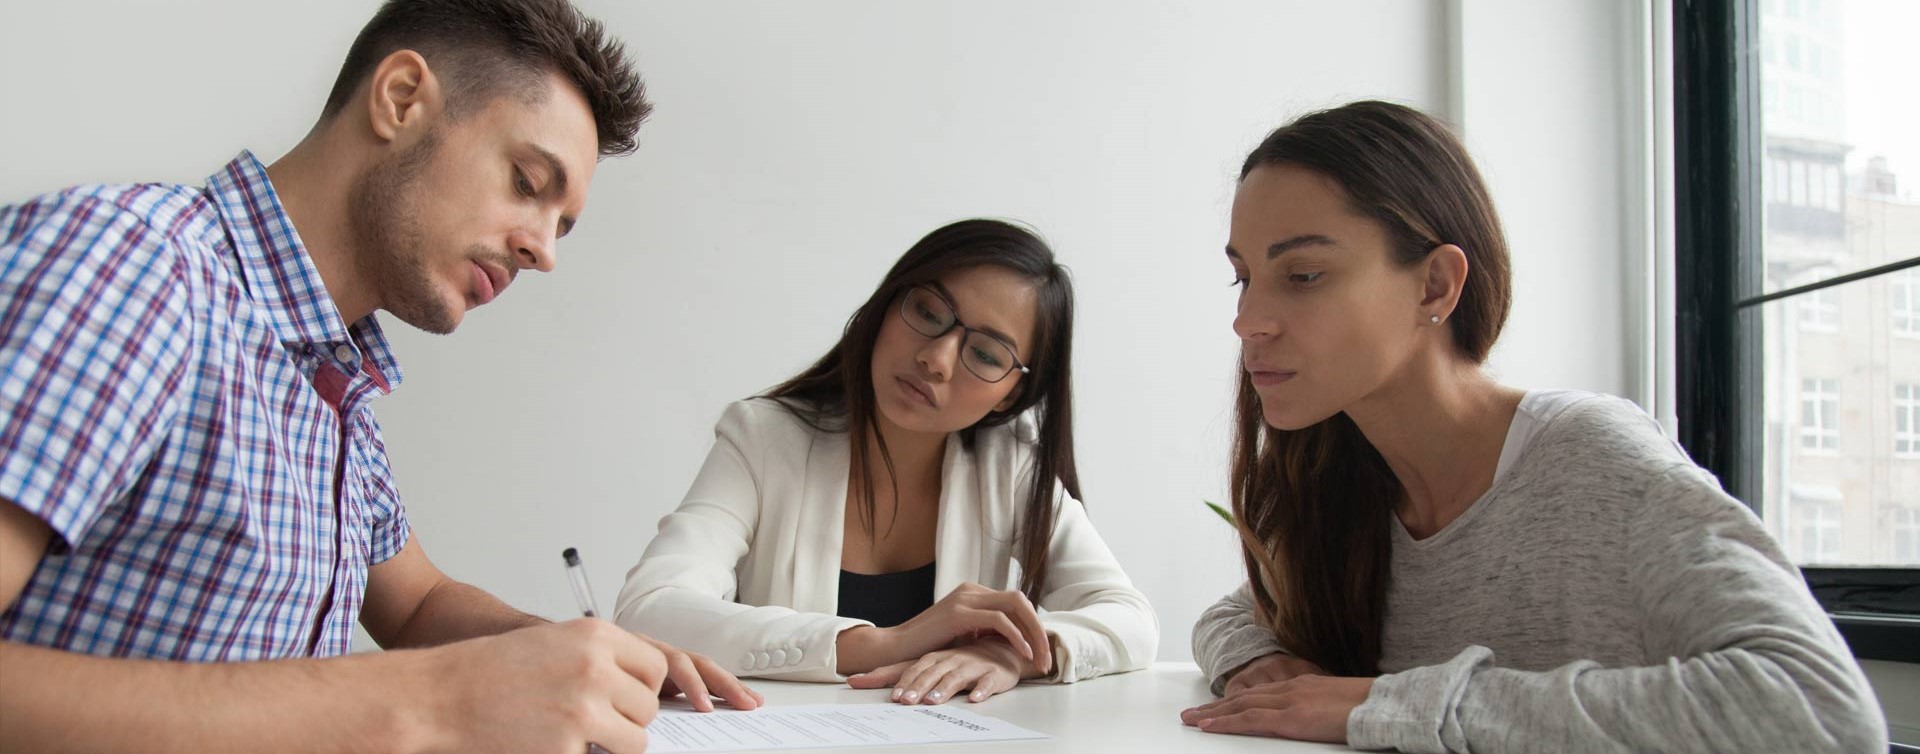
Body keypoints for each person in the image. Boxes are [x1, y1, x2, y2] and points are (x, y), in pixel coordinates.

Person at [0, 1, 755, 751]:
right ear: (400, 99)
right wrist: (435, 701)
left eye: (561, 225)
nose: (543, 251)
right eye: (527, 182)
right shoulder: (134, 267)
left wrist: (584, 661)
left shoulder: (334, 380)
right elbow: (419, 677)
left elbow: (418, 604)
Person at [1178, 100, 1885, 752]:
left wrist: (1392, 703)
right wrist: (1261, 663)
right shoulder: (1349, 483)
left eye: (1302, 275)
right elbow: (1235, 615)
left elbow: (1820, 712)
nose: (1248, 323)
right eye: (1242, 278)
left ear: (1435, 286)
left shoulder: (1592, 461)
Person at [616, 219, 1157, 705]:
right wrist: (885, 644)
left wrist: (1015, 653)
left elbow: (1132, 621)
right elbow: (651, 609)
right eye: (928, 312)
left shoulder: (1010, 469)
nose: (936, 358)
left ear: (1012, 395)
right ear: (887, 305)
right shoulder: (762, 438)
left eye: (987, 354)